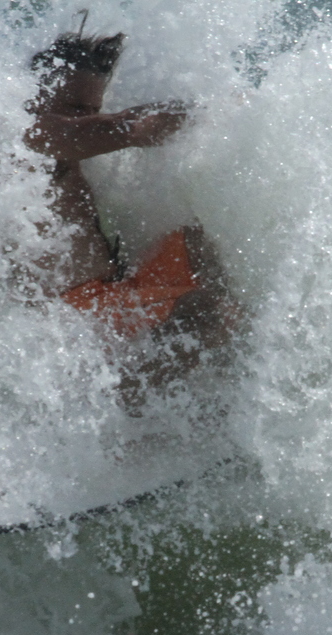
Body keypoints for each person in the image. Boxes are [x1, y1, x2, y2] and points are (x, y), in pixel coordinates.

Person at [22, 26, 239, 405]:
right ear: (38, 93)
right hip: (77, 316)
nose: (85, 119)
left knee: (198, 238)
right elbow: (127, 127)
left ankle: (237, 380)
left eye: (92, 109)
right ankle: (129, 416)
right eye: (75, 108)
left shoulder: (65, 148)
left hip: (119, 290)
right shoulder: (29, 135)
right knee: (204, 311)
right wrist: (215, 112)